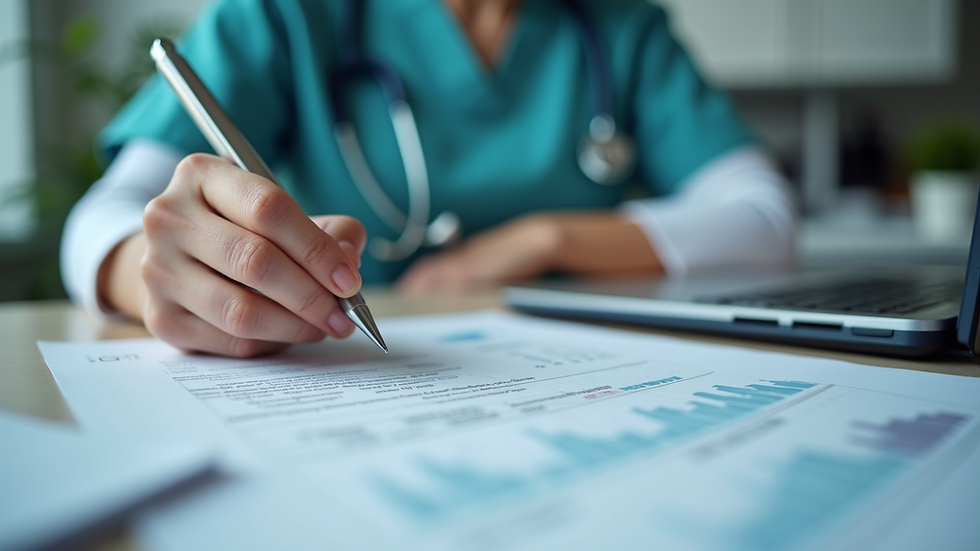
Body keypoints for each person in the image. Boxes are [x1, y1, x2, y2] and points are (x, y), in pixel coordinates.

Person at [61, 0, 796, 358]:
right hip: (348, 360)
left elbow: (763, 215)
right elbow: (107, 217)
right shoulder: (284, 15)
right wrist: (147, 270)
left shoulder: (620, 27)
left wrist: (539, 240)